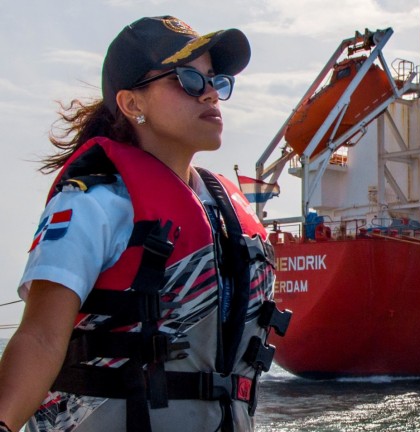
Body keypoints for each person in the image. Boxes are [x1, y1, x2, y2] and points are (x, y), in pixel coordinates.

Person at [0, 15, 290, 432]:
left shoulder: (226, 212)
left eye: (216, 79)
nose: (211, 93)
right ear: (132, 103)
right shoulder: (95, 202)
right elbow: (41, 336)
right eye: (189, 79)